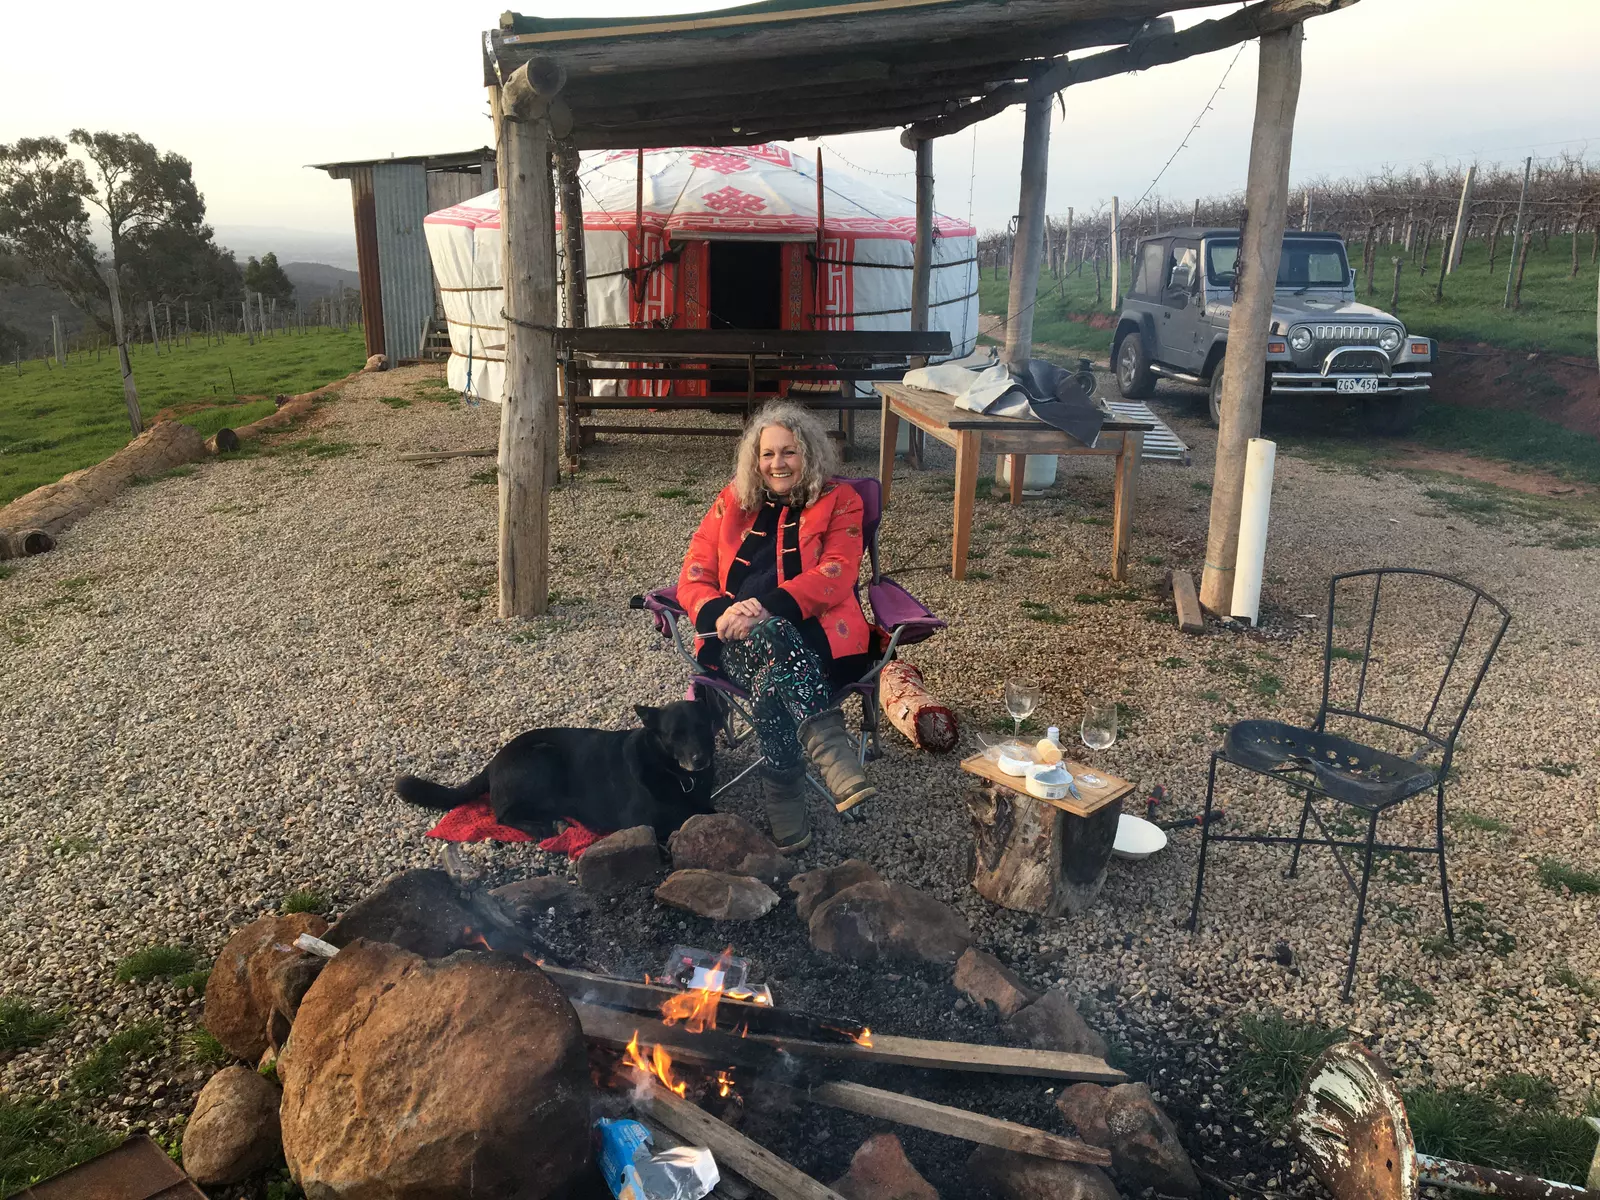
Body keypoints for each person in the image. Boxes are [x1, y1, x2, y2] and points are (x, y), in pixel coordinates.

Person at [676, 401, 876, 850]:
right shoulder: (732, 502)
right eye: (768, 454)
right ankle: (831, 752)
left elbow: (837, 573)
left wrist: (766, 608)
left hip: (820, 637)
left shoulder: (842, 501)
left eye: (789, 452)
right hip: (734, 636)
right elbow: (695, 573)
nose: (777, 463)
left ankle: (783, 794)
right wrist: (719, 614)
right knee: (770, 648)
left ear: (809, 454)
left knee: (774, 659)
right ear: (755, 459)